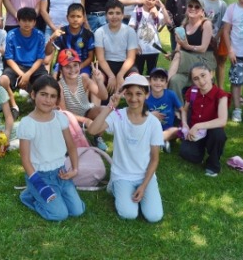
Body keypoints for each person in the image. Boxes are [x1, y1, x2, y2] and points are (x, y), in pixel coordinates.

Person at [88, 74, 164, 222]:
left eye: (139, 94)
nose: (133, 98)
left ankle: (133, 191)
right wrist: (110, 107)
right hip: (122, 175)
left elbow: (154, 159)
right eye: (129, 94)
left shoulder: (153, 123)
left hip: (144, 176)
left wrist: (143, 186)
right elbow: (92, 130)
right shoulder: (118, 115)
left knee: (154, 216)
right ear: (124, 95)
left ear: (147, 95)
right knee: (129, 214)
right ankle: (115, 186)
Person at [18, 75, 85, 221]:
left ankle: (40, 193)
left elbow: (71, 146)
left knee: (77, 211)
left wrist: (74, 169)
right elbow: (25, 160)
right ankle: (30, 195)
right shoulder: (27, 124)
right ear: (33, 94)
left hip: (60, 172)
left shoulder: (60, 118)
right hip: (39, 175)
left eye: (52, 96)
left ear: (57, 100)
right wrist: (39, 185)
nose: (48, 100)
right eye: (43, 94)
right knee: (60, 214)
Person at [179, 63, 229, 177]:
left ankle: (213, 163)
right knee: (186, 153)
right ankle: (199, 151)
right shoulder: (192, 92)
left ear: (211, 74)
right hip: (195, 133)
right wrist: (185, 124)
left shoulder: (221, 95)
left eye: (203, 75)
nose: (201, 81)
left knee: (218, 135)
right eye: (196, 79)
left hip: (211, 131)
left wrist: (198, 126)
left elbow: (222, 121)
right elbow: (184, 110)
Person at [0, 7, 48, 118]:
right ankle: (13, 106)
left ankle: (39, 106)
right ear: (18, 21)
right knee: (3, 80)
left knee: (47, 82)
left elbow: (40, 59)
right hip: (17, 66)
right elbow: (9, 58)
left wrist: (28, 74)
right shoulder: (11, 34)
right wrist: (22, 75)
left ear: (34, 22)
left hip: (35, 67)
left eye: (30, 20)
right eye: (24, 20)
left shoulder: (40, 35)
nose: (27, 23)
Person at [57, 49, 108, 150]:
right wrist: (85, 121)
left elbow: (104, 96)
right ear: (61, 70)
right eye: (67, 67)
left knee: (104, 110)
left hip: (86, 111)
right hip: (70, 118)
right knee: (65, 122)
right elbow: (64, 112)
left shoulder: (84, 80)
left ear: (80, 66)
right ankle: (79, 134)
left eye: (75, 65)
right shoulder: (59, 86)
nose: (72, 69)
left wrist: (99, 81)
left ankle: (98, 137)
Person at [168, 0, 216, 103]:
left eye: (197, 7)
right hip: (187, 62)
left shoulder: (206, 24)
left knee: (179, 55)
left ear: (202, 12)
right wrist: (172, 54)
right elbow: (178, 49)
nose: (193, 8)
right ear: (186, 9)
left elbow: (203, 48)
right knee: (174, 80)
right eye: (190, 6)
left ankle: (164, 87)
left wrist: (187, 46)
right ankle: (178, 108)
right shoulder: (183, 26)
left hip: (204, 60)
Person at [39, 0, 81, 71]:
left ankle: (62, 80)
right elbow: (43, 10)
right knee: (46, 60)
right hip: (51, 28)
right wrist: (54, 28)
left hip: (69, 29)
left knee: (68, 59)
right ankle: (46, 80)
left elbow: (78, 11)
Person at [94, 0, 139, 95]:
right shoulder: (99, 32)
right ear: (106, 16)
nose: (114, 16)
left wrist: (120, 75)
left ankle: (132, 100)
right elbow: (100, 59)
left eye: (118, 13)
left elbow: (131, 58)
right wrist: (111, 76)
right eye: (111, 13)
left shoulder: (130, 31)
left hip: (125, 64)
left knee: (135, 78)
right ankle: (100, 101)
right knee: (97, 77)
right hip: (106, 63)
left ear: (123, 15)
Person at [129, 0, 171, 75]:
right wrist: (135, 44)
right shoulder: (137, 11)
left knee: (152, 72)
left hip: (153, 49)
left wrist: (162, 6)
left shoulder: (157, 13)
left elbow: (168, 21)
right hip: (139, 48)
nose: (150, 1)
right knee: (138, 71)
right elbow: (131, 29)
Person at [46, 3, 95, 76]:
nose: (75, 19)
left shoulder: (88, 34)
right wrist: (52, 38)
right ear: (67, 18)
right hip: (64, 64)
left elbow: (90, 58)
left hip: (82, 65)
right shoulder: (61, 32)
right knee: (54, 76)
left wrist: (77, 68)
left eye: (78, 16)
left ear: (83, 18)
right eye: (72, 16)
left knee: (84, 77)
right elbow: (48, 52)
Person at [197, 0, 228, 89]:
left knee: (216, 64)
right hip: (200, 39)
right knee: (201, 65)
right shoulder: (200, 0)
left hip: (215, 40)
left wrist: (216, 38)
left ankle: (218, 89)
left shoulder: (222, 4)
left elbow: (223, 24)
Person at [145, 67, 183, 154]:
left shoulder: (171, 94)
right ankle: (162, 141)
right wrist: (149, 114)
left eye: (162, 80)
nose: (158, 83)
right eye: (155, 79)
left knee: (178, 130)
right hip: (151, 128)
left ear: (166, 83)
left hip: (168, 128)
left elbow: (182, 109)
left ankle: (157, 141)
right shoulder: (145, 96)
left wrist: (184, 122)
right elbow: (138, 114)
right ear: (149, 81)